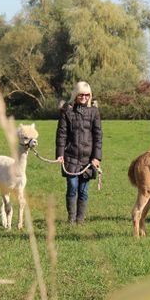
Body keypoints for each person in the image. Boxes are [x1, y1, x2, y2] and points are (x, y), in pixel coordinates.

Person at [56, 81, 102, 224]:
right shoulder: (67, 111)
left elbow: (98, 136)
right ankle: (71, 218)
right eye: (81, 95)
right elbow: (61, 134)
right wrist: (60, 154)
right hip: (71, 156)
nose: (84, 97)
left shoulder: (94, 112)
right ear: (75, 95)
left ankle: (80, 220)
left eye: (87, 95)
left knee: (83, 190)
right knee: (72, 186)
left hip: (88, 159)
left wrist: (96, 157)